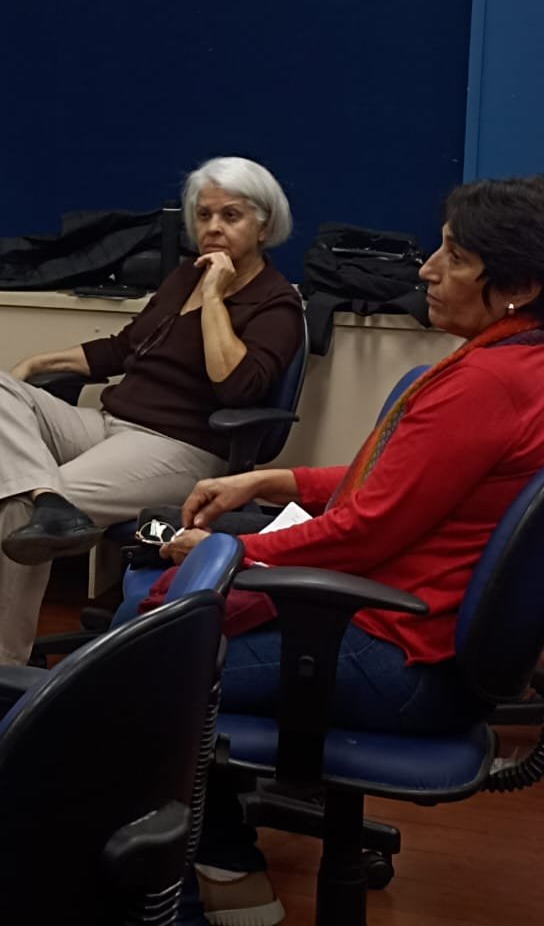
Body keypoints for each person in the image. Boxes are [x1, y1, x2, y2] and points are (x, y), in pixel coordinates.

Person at [159, 175, 544, 926]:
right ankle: (216, 838)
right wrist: (275, 479)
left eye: (455, 256)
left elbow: (366, 528)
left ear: (520, 287)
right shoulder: (520, 364)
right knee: (168, 629)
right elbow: (411, 483)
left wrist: (226, 553)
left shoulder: (488, 382)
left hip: (398, 659)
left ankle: (230, 880)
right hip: (432, 645)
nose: (427, 269)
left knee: (132, 667)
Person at [0, 156, 304, 732]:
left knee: (20, 512)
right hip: (108, 426)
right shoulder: (182, 276)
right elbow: (125, 348)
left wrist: (214, 296)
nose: (213, 227)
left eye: (230, 216)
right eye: (204, 215)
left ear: (263, 224)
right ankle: (46, 497)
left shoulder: (277, 303)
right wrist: (39, 363)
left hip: (178, 451)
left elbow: (235, 385)